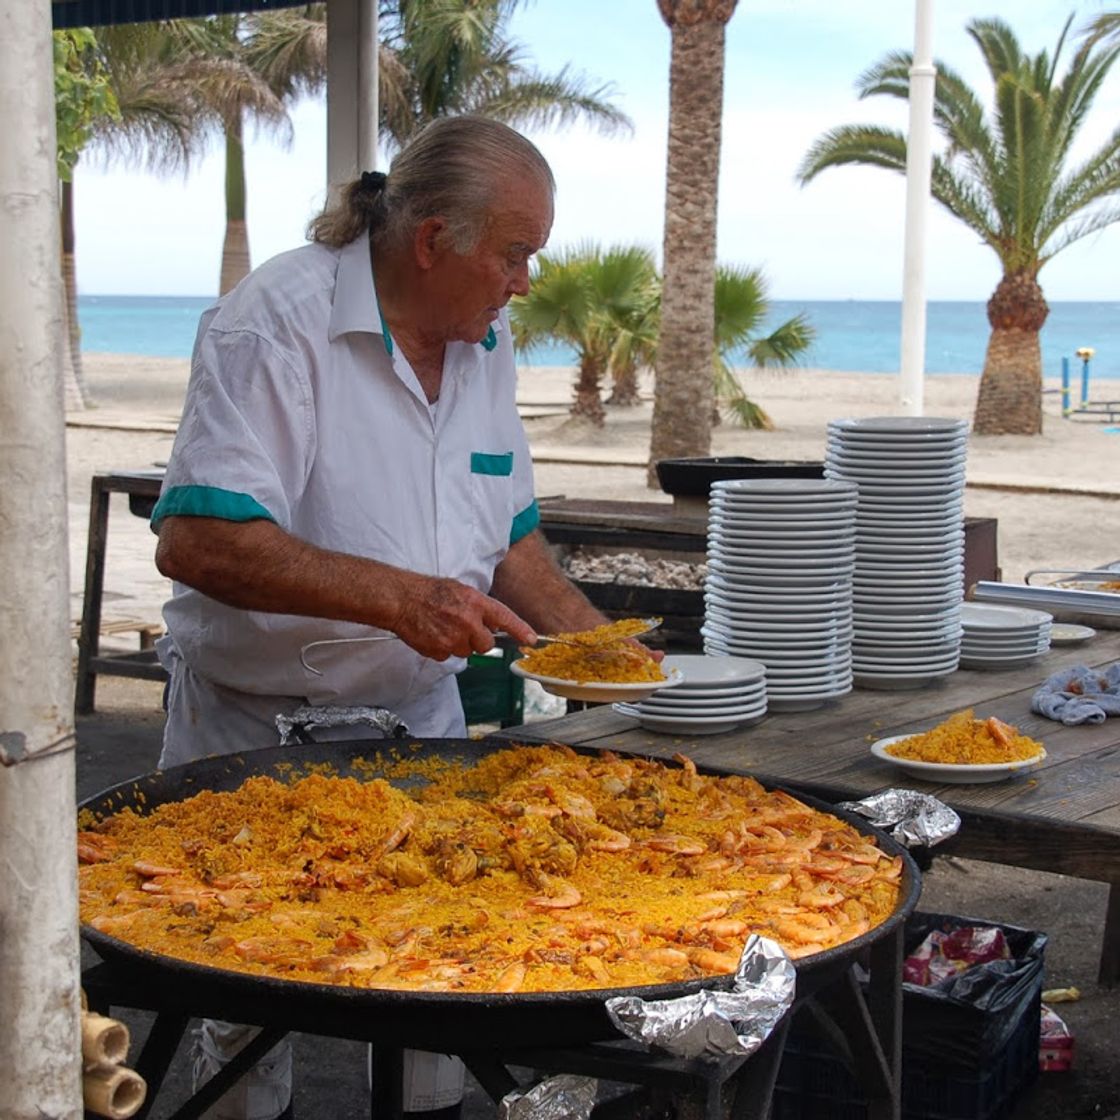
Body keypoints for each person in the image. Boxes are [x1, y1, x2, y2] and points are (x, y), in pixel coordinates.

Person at [150, 116, 617, 1120]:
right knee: (242, 994)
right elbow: (198, 539)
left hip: (422, 734)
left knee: (435, 983)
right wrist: (404, 597)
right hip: (255, 731)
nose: (523, 280)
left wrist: (609, 655)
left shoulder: (482, 344)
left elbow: (513, 547)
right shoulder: (275, 318)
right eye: (513, 252)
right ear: (430, 239)